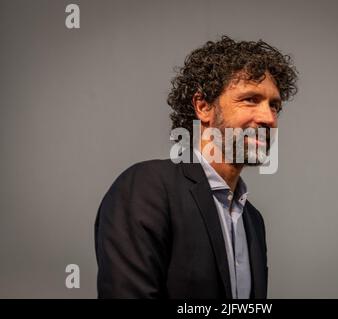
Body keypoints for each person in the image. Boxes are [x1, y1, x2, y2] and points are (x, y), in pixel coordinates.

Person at [94, 35, 298, 298]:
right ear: (203, 106)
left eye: (274, 106)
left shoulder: (253, 221)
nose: (269, 118)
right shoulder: (147, 188)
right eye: (250, 99)